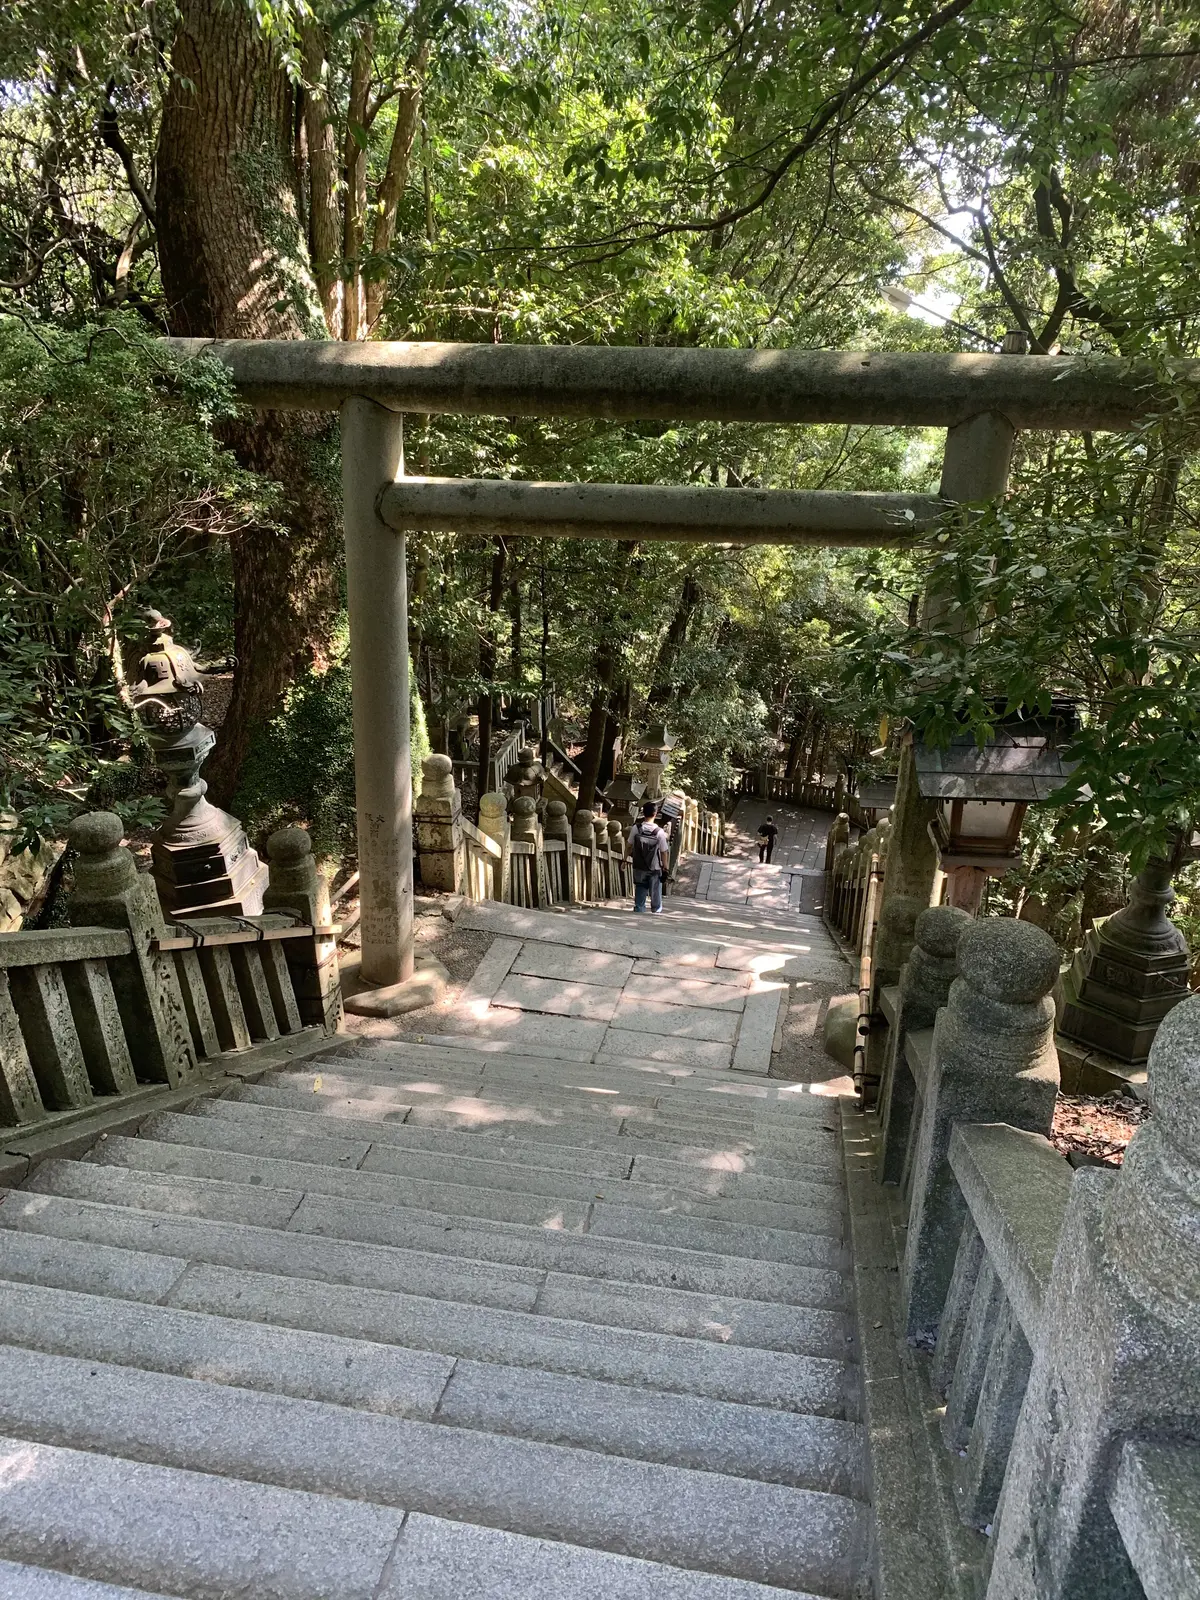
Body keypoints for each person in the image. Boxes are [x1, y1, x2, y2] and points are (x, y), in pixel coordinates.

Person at [628, 799, 671, 914]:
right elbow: (664, 851)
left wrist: (624, 859)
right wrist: (665, 868)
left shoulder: (636, 828)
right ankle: (656, 910)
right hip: (655, 867)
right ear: (655, 814)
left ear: (643, 813)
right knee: (656, 890)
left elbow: (629, 845)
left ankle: (639, 908)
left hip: (639, 865)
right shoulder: (659, 832)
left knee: (640, 887)